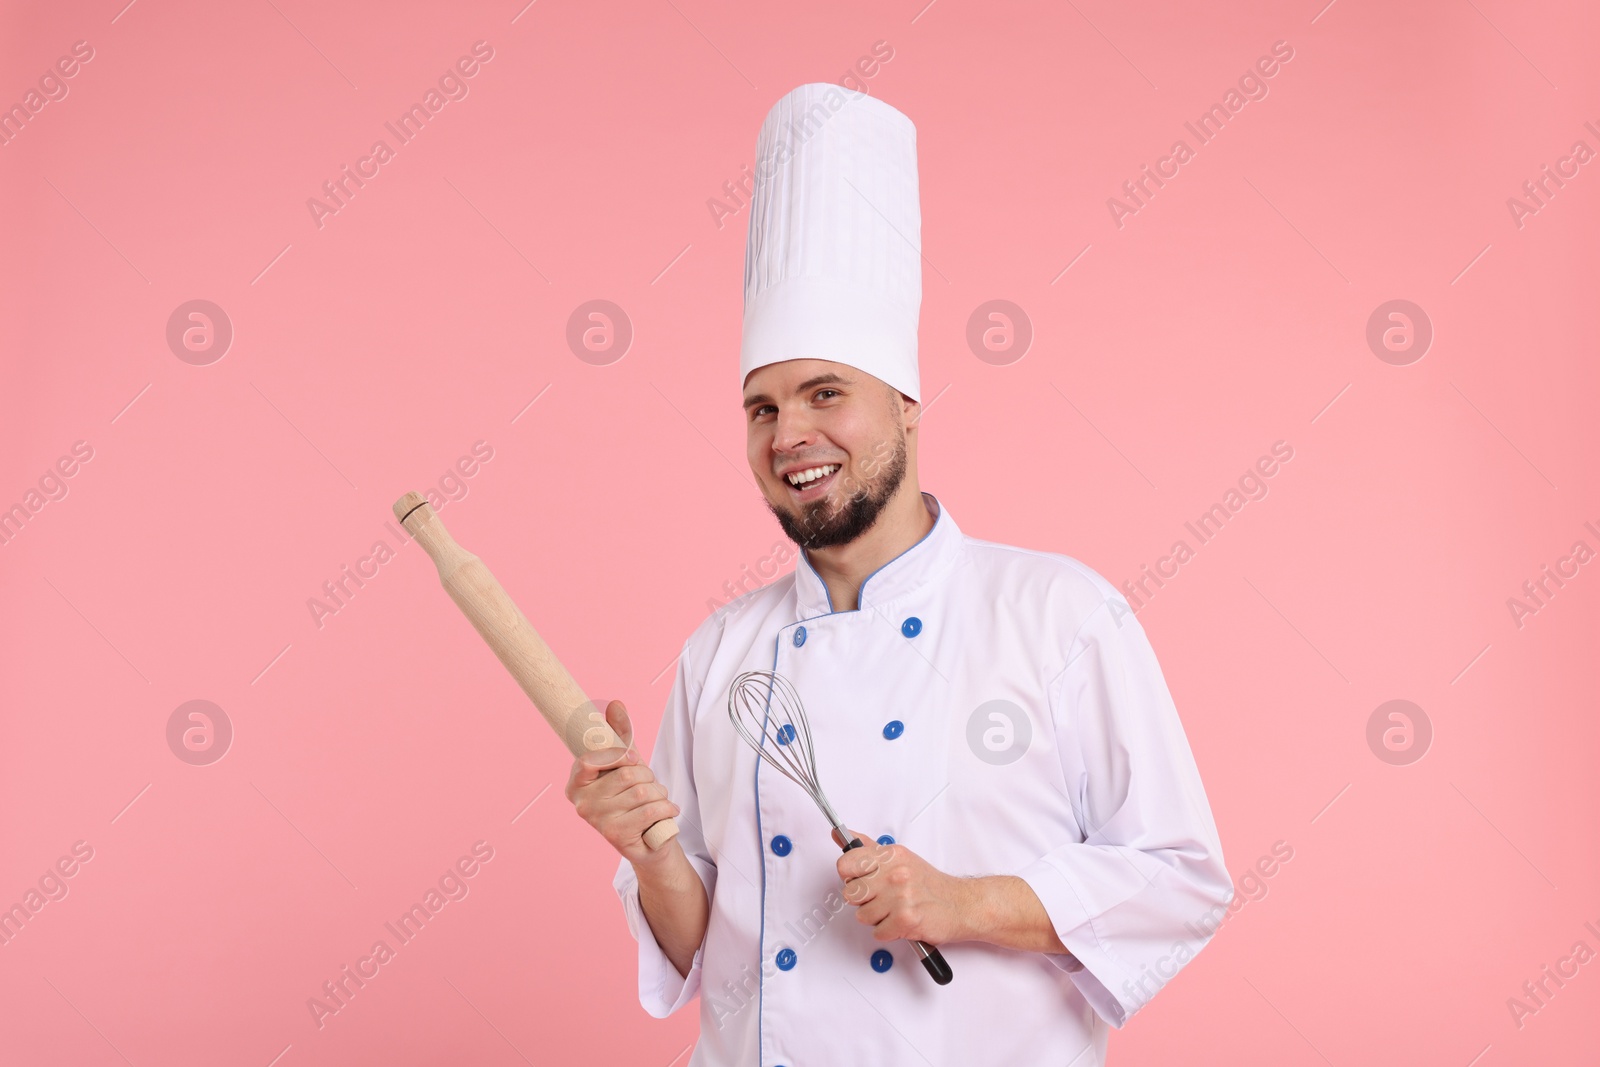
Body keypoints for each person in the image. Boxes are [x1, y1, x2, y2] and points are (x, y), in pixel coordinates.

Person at [564, 82, 1231, 1066]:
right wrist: (648, 847)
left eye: (824, 392)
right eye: (761, 406)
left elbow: (1180, 877)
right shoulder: (721, 651)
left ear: (908, 406)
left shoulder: (1057, 614)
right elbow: (698, 942)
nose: (789, 435)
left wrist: (970, 902)